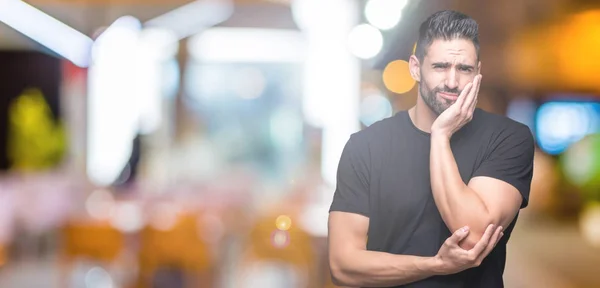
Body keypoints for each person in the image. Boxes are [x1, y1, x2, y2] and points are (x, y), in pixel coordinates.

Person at [327, 10, 534, 288]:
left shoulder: (508, 138)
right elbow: (343, 265)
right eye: (440, 66)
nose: (452, 81)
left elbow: (472, 236)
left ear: (478, 72)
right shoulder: (366, 146)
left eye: (464, 69)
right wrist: (434, 265)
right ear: (415, 68)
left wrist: (440, 135)